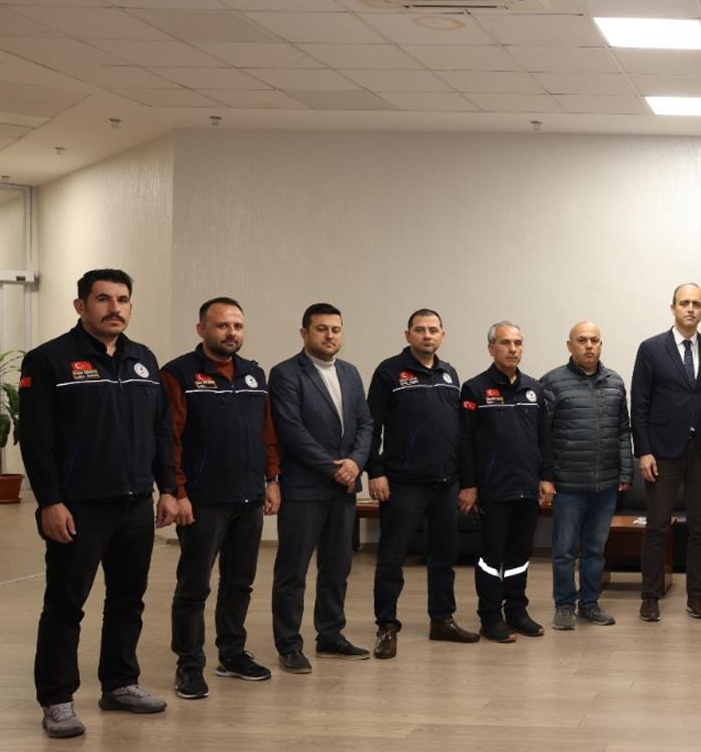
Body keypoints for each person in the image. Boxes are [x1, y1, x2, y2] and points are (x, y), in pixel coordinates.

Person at [20, 268, 178, 738]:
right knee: (65, 605)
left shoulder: (143, 359)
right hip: (79, 507)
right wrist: (50, 502)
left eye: (123, 299)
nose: (115, 308)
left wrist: (168, 488)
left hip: (135, 504)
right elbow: (36, 441)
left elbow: (161, 432)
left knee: (127, 600)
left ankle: (120, 683)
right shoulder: (49, 360)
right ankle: (57, 699)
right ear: (81, 306)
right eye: (103, 299)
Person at [162, 296, 280, 701]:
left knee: (240, 583)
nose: (231, 333)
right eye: (222, 325)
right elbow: (170, 439)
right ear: (202, 330)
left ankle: (231, 654)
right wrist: (178, 491)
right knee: (194, 586)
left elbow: (267, 432)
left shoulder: (253, 374)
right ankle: (189, 664)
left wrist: (272, 479)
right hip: (202, 501)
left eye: (237, 326)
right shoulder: (179, 374)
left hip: (249, 497)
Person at [269, 302, 375, 672]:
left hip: (343, 489)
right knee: (293, 571)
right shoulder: (285, 374)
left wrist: (356, 462)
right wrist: (335, 469)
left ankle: (330, 635)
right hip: (304, 488)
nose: (330, 336)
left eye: (336, 329)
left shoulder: (350, 372)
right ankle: (288, 644)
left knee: (337, 567)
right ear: (304, 333)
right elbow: (291, 430)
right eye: (321, 329)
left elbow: (365, 423)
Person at [367, 308, 474, 658]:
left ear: (442, 335)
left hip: (445, 483)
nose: (427, 335)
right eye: (420, 330)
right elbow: (371, 426)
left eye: (433, 330)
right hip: (403, 483)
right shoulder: (388, 372)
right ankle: (386, 625)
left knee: (444, 556)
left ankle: (442, 620)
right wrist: (375, 471)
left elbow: (458, 431)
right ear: (407, 334)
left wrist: (465, 481)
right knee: (392, 557)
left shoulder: (449, 374)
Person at [630, 283, 701, 622]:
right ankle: (650, 597)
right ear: (672, 307)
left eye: (696, 304)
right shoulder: (651, 349)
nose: (690, 308)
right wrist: (643, 451)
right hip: (662, 451)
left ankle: (697, 597)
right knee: (657, 526)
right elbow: (639, 404)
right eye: (684, 303)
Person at [458, 322, 549, 643]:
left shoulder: (534, 389)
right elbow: (465, 441)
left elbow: (544, 438)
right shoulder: (474, 389)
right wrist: (469, 485)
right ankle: (490, 616)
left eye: (518, 343)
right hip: (493, 489)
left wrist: (546, 477)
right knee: (490, 557)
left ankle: (516, 611)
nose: (513, 349)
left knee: (519, 556)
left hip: (527, 487)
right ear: (491, 348)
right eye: (505, 343)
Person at [540, 321, 632, 630]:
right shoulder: (552, 382)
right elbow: (543, 436)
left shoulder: (615, 382)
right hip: (568, 485)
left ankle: (589, 604)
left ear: (601, 344)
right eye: (582, 340)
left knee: (595, 550)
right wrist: (546, 477)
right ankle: (564, 606)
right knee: (564, 551)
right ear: (570, 345)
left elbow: (623, 432)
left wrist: (625, 471)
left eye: (594, 340)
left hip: (605, 484)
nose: (589, 345)